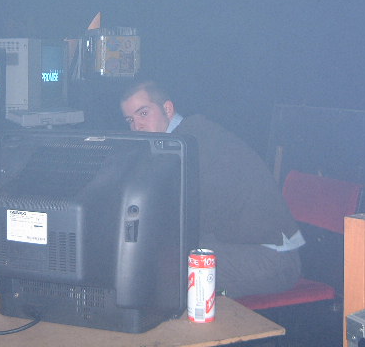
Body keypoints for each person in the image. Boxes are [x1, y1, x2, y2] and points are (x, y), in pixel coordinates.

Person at [120, 80, 304, 298]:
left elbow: (188, 217)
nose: (137, 126)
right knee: (149, 258)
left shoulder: (198, 143)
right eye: (130, 120)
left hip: (273, 259)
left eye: (143, 113)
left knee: (163, 268)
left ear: (167, 109)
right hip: (240, 247)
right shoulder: (179, 141)